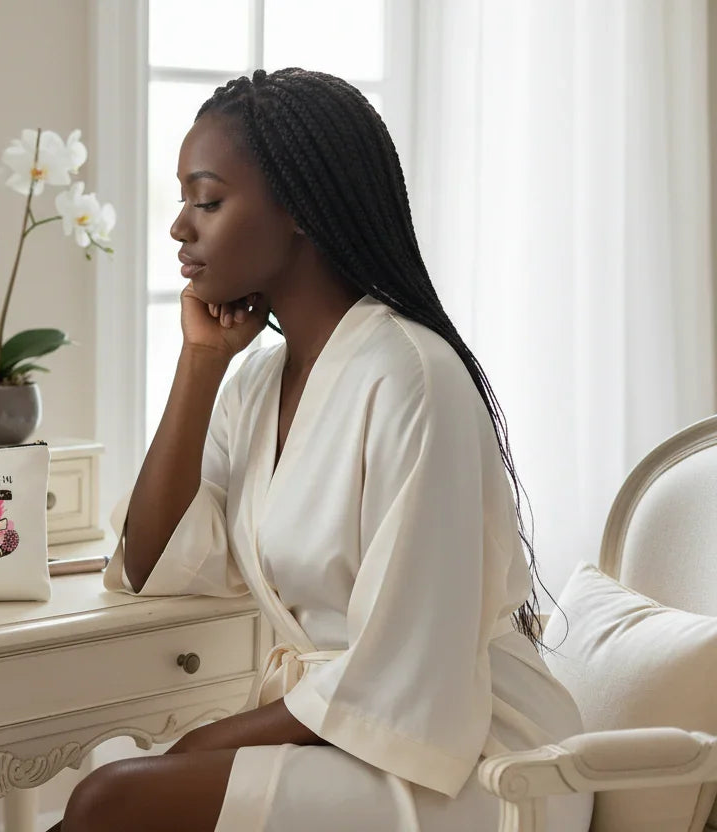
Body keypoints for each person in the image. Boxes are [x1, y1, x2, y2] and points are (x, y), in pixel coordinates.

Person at [53, 69, 592, 832]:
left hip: (477, 760)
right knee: (116, 784)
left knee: (112, 797)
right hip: (349, 732)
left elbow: (407, 670)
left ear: (298, 208)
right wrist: (201, 365)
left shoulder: (412, 376)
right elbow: (150, 560)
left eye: (206, 200)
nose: (180, 227)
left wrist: (202, 746)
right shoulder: (261, 381)